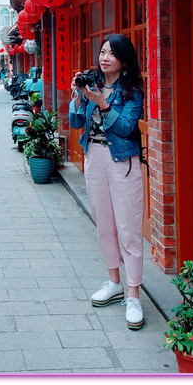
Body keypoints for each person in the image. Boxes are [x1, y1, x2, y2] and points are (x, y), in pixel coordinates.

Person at [68, 33, 145, 330]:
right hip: (94, 159)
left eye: (112, 53)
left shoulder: (131, 92)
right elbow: (76, 124)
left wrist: (103, 105)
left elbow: (126, 128)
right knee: (104, 224)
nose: (104, 57)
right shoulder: (93, 87)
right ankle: (114, 282)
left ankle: (134, 294)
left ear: (124, 60)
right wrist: (78, 96)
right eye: (102, 52)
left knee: (128, 227)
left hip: (122, 161)